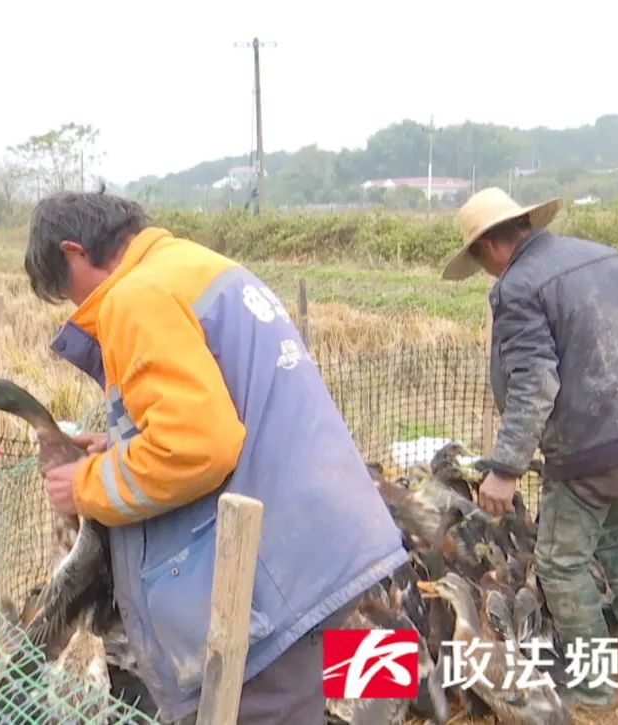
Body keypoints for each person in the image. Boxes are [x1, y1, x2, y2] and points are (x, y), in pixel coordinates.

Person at [24, 188, 407, 724]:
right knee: (331, 697)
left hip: (276, 578)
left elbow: (197, 445)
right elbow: (224, 407)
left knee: (268, 709)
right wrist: (121, 448)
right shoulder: (201, 268)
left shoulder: (137, 295)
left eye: (67, 291)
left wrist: (84, 484)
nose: (77, 307)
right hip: (328, 546)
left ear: (74, 252)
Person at [443, 187, 618, 710]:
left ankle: (592, 686)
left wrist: (505, 468)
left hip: (593, 453)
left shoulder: (519, 286)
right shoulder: (603, 257)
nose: (487, 274)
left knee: (559, 564)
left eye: (481, 263)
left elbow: (534, 384)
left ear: (489, 246)